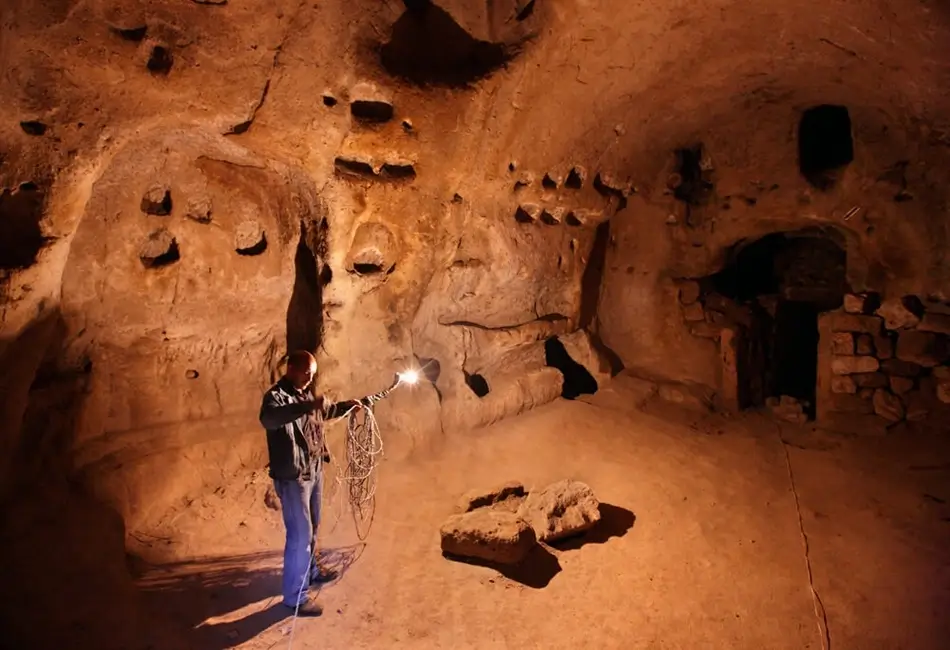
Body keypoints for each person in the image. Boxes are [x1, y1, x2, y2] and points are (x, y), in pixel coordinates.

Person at [259, 350, 399, 616]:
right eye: (306, 374)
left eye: (312, 375)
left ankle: (310, 572)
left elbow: (323, 412)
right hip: (293, 478)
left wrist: (350, 405)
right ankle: (295, 598)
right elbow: (269, 419)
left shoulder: (304, 393)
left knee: (312, 528)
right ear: (291, 369)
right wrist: (308, 405)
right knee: (299, 537)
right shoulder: (276, 397)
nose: (310, 380)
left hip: (313, 470)